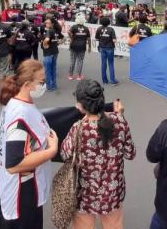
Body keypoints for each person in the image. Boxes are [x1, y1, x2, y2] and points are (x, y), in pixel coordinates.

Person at [61, 80, 135, 229]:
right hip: (113, 192)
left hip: (85, 193)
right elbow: (130, 153)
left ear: (82, 107)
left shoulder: (78, 128)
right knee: (114, 225)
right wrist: (119, 115)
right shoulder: (119, 121)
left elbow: (65, 154)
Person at [0, 60, 58, 229]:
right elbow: (14, 164)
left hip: (21, 187)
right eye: (41, 81)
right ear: (27, 84)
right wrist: (52, 150)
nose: (44, 85)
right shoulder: (20, 113)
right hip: (22, 192)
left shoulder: (17, 103)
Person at [68, 13, 91, 81]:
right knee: (80, 61)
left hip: (74, 45)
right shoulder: (86, 28)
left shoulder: (74, 27)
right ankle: (78, 76)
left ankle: (70, 75)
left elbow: (68, 32)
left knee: (72, 60)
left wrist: (71, 37)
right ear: (83, 20)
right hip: (82, 46)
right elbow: (88, 38)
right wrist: (90, 47)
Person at [96, 17, 118, 86]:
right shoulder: (111, 29)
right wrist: (116, 43)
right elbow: (114, 40)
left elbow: (97, 38)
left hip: (102, 47)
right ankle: (112, 80)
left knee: (103, 64)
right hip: (110, 48)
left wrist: (99, 44)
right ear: (108, 22)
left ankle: (104, 80)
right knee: (111, 64)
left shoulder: (99, 29)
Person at [41, 17, 60, 91]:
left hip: (48, 53)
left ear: (52, 24)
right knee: (53, 69)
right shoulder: (56, 31)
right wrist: (58, 43)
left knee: (47, 70)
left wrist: (44, 44)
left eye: (48, 23)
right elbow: (63, 38)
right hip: (55, 52)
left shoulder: (49, 31)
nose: (46, 24)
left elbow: (47, 40)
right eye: (46, 22)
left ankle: (49, 86)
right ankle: (54, 85)